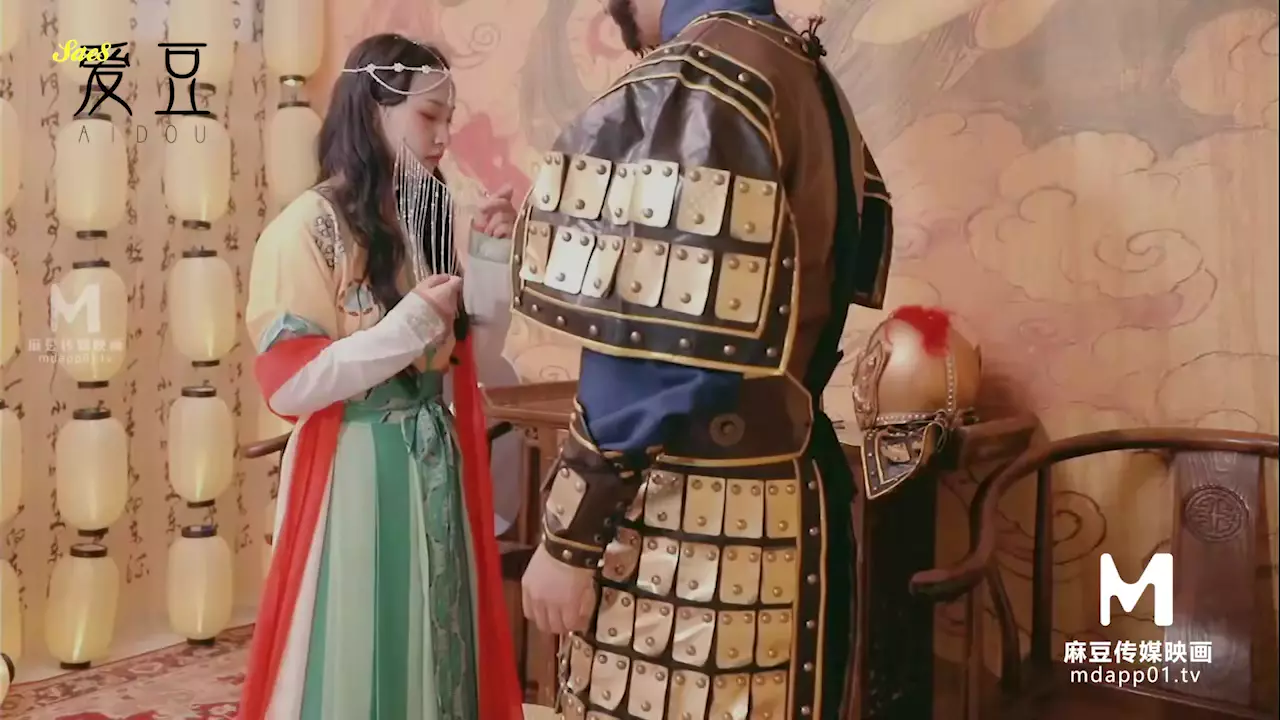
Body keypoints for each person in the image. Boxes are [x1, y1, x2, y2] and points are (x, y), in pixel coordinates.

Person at [515, 1, 894, 718]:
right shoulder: (809, 78)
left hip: (691, 522)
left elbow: (654, 348)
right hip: (787, 495)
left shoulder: (697, 77)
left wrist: (570, 539)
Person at [238, 34, 522, 720]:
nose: (444, 137)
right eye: (428, 117)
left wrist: (489, 256)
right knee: (362, 643)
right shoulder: (304, 230)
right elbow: (290, 386)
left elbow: (469, 358)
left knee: (434, 642)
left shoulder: (423, 218)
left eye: (448, 118)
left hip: (432, 462)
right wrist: (407, 327)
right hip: (353, 465)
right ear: (373, 110)